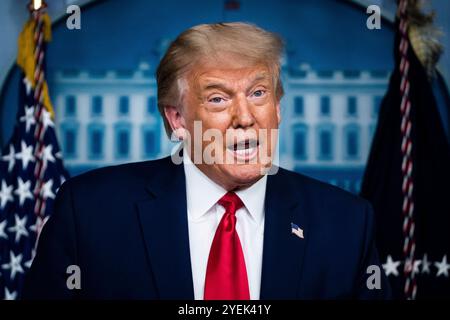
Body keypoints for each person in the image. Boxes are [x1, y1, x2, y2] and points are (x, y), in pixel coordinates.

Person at [23, 22, 390, 300]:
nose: (245, 117)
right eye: (218, 99)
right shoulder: (89, 212)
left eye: (259, 93)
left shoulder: (346, 222)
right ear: (177, 119)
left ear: (277, 108)